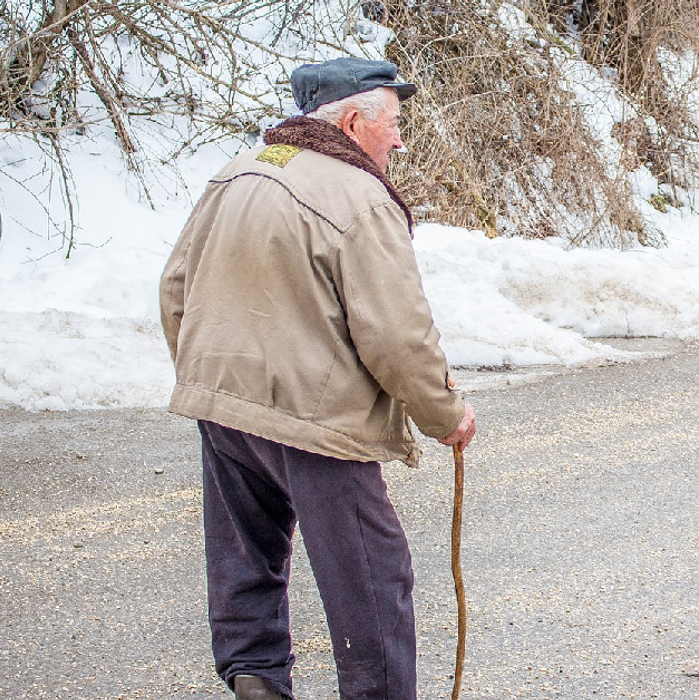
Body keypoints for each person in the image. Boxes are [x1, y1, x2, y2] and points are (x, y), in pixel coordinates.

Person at [159, 57, 476, 700]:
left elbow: (174, 291)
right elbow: (396, 334)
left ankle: (255, 680)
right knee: (369, 574)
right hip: (316, 419)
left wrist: (213, 378)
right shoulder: (360, 198)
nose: (400, 139)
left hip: (224, 409)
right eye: (393, 123)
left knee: (246, 556)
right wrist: (445, 414)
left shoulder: (236, 174)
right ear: (354, 119)